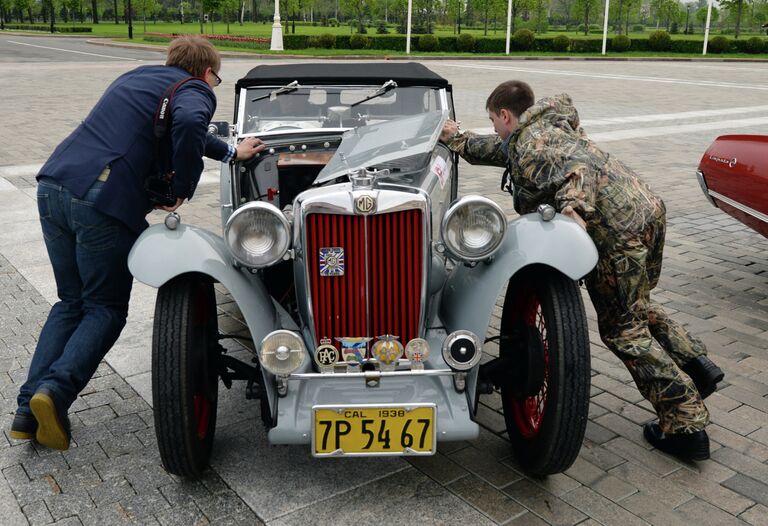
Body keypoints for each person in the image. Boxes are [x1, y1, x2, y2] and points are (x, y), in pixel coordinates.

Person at [441, 80, 724, 461]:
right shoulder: (544, 127)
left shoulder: (535, 145)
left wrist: (575, 210)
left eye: (493, 120)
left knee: (621, 329)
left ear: (506, 115)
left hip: (616, 232)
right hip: (645, 211)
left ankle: (685, 422)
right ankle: (696, 365)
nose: (493, 127)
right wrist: (456, 137)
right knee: (634, 306)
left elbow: (575, 172)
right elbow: (502, 149)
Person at [9, 36, 265, 450]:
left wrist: (233, 151)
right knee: (105, 308)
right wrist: (182, 186)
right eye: (215, 79)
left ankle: (26, 410)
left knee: (71, 303)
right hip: (103, 200)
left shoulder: (138, 77)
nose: (212, 86)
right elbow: (187, 124)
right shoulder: (195, 89)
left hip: (54, 185)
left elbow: (180, 129)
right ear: (204, 72)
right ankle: (54, 394)